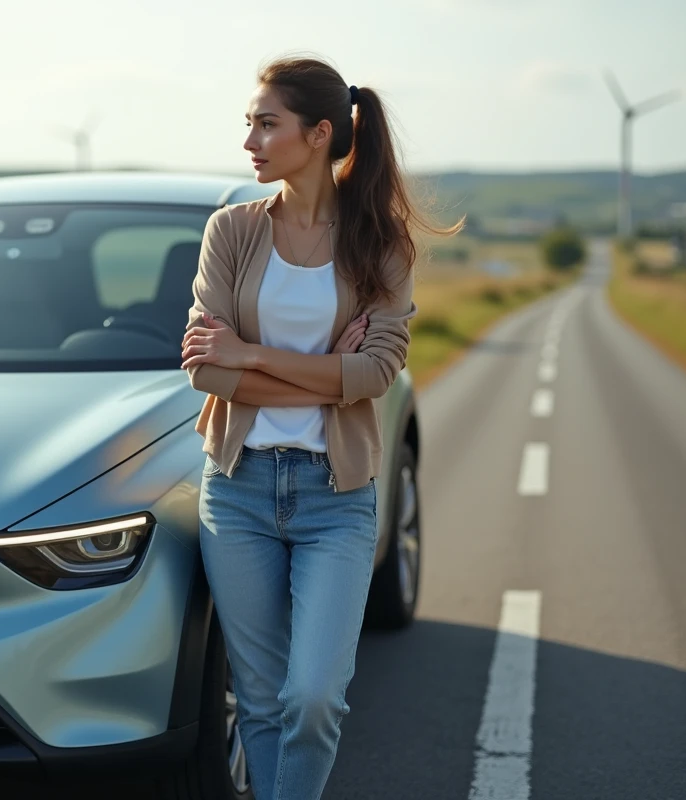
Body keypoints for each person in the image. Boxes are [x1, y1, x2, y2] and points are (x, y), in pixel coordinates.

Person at [180, 55, 460, 800]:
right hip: (237, 490)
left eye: (266, 124)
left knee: (312, 698)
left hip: (336, 499)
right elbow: (205, 371)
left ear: (319, 133)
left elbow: (377, 373)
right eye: (249, 124)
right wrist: (325, 376)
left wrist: (251, 355)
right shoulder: (231, 231)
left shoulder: (380, 244)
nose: (250, 141)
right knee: (260, 699)